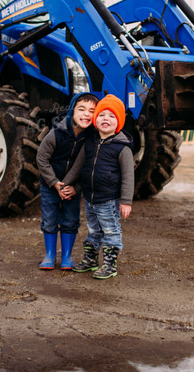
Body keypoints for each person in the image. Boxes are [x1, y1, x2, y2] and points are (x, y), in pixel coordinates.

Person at [62, 94, 133, 280]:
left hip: (108, 199)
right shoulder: (91, 142)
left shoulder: (122, 147)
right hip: (90, 199)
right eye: (102, 115)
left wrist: (126, 201)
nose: (106, 119)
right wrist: (66, 184)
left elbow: (128, 176)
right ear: (95, 119)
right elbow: (78, 166)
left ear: (119, 121)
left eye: (111, 116)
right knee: (93, 230)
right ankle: (91, 260)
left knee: (110, 230)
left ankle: (110, 265)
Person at [36, 92, 99, 270]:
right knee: (49, 220)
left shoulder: (91, 139)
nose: (87, 114)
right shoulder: (56, 134)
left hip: (73, 189)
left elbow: (88, 169)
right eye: (82, 109)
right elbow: (42, 159)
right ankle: (49, 255)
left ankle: (67, 256)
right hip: (50, 186)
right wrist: (54, 182)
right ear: (72, 110)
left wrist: (76, 187)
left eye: (92, 111)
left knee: (70, 221)